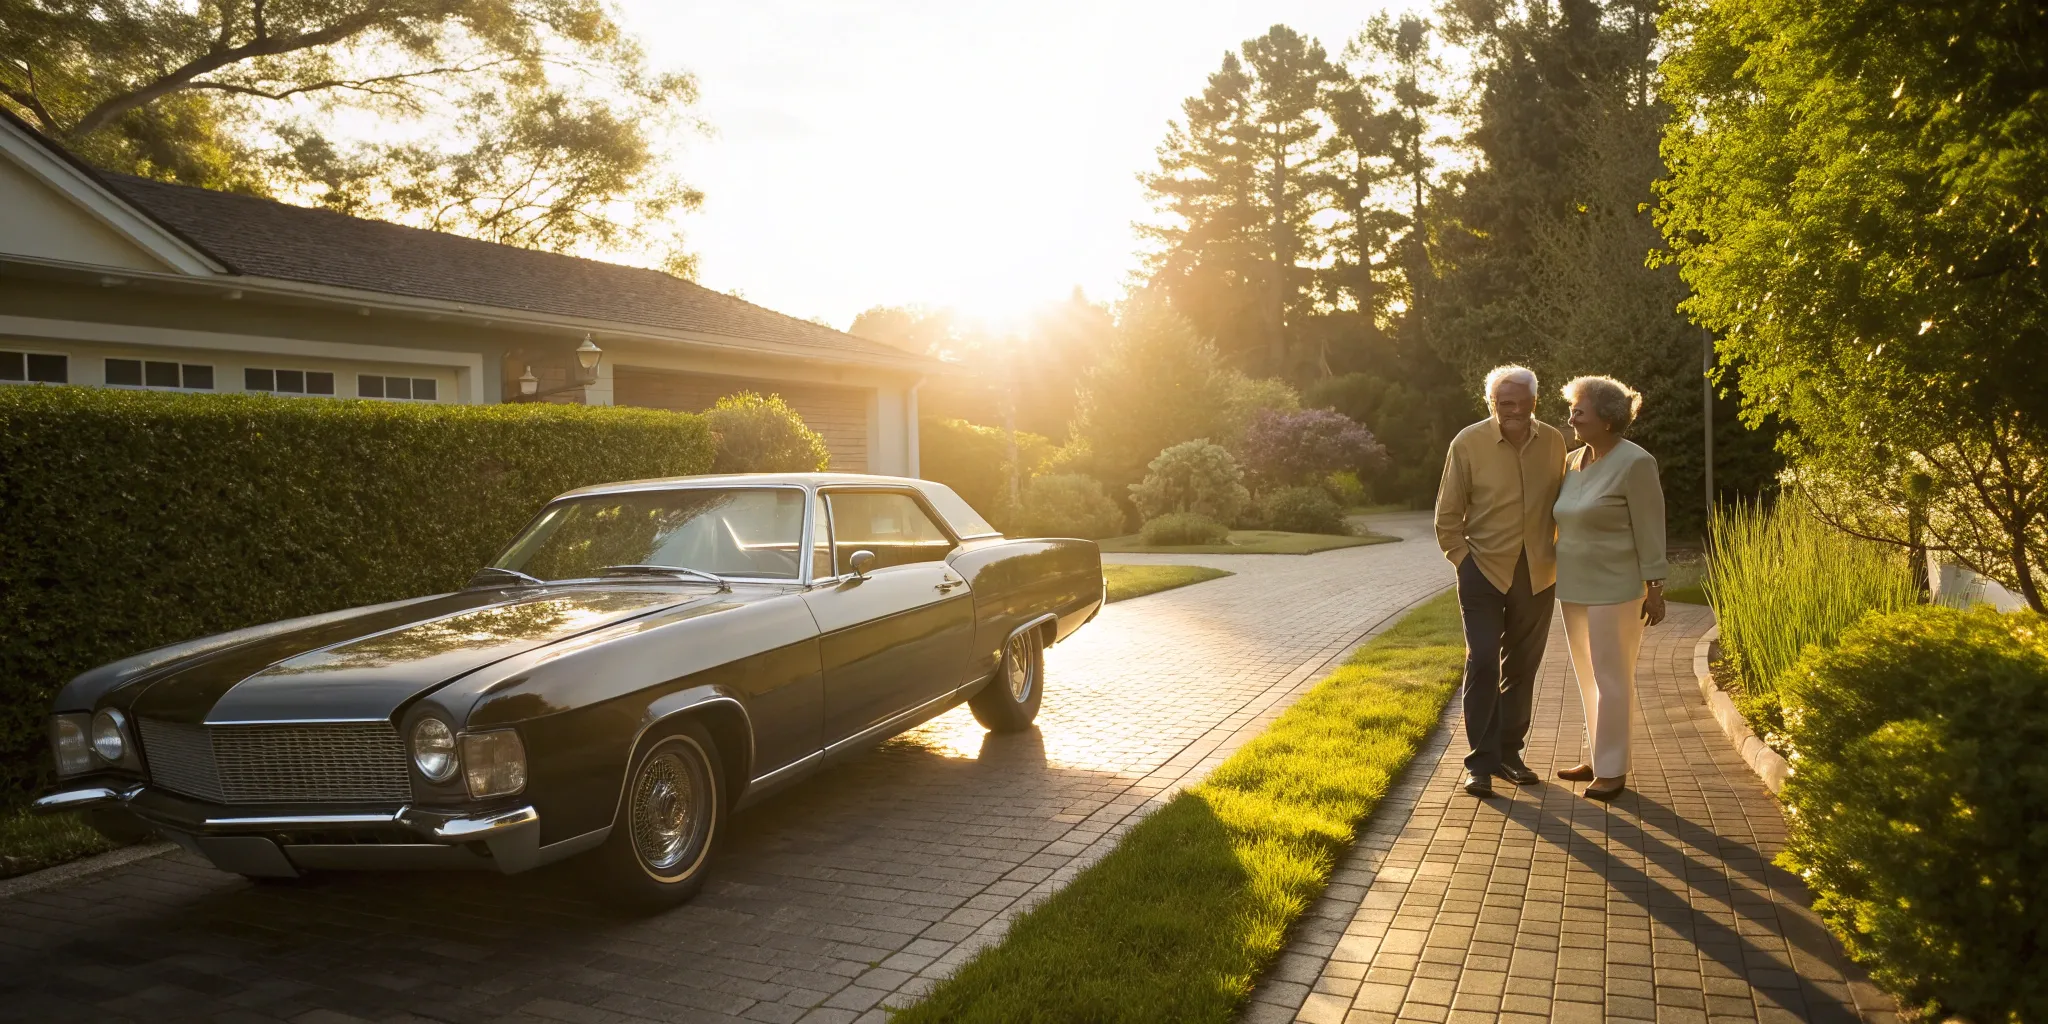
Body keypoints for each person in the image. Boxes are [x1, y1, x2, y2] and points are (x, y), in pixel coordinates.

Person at [1434, 365, 1569, 798]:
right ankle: (1480, 763)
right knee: (1484, 660)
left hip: (1538, 572)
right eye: (1500, 402)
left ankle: (1510, 754)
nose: (1509, 409)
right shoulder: (1468, 442)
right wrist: (1462, 562)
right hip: (1483, 570)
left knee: (1522, 668)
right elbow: (1447, 515)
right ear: (1491, 403)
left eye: (1517, 401)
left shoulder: (1553, 442)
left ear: (1534, 401)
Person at [1552, 375, 1667, 801]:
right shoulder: (1571, 460)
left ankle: (1614, 769)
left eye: (1579, 411)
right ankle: (1598, 756)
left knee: (1612, 677)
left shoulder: (1636, 463)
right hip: (1574, 586)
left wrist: (1655, 585)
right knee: (1587, 676)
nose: (1572, 418)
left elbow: (1651, 526)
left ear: (1606, 417)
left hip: (1617, 587)